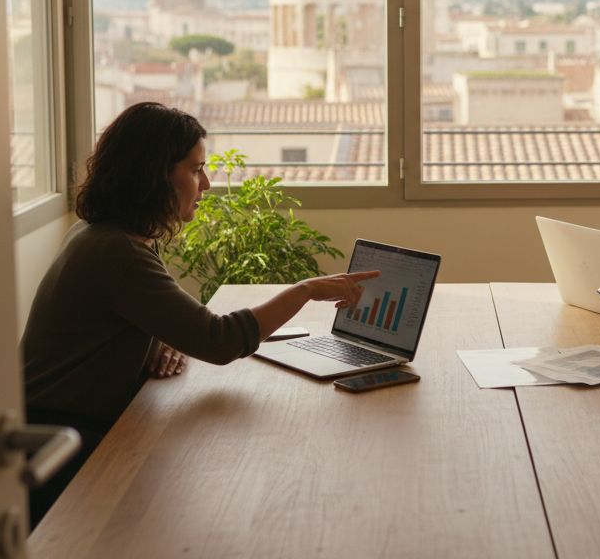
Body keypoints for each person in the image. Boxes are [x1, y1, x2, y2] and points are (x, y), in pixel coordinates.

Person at [20, 102, 378, 527]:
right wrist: (306, 289)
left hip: (58, 424)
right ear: (154, 176)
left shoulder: (104, 234)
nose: (205, 184)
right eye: (195, 170)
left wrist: (162, 337)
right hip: (56, 445)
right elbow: (219, 340)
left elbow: (145, 315)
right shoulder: (117, 252)